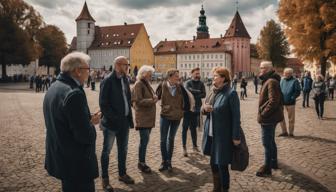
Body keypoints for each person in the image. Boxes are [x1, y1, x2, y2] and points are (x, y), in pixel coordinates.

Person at [43, 52, 101, 192]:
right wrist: (91, 123)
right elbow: (84, 136)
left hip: (62, 156)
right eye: (88, 69)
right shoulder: (73, 93)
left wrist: (86, 118)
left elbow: (65, 119)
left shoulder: (54, 86)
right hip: (76, 163)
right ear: (78, 71)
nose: (90, 73)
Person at [201, 67, 241, 192]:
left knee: (222, 165)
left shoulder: (231, 93)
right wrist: (204, 109)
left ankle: (225, 189)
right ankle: (216, 188)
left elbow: (236, 117)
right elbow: (204, 108)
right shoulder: (213, 92)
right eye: (213, 76)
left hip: (223, 136)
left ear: (223, 78)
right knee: (213, 164)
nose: (213, 78)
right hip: (211, 134)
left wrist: (236, 136)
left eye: (215, 76)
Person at [99, 56, 134, 192]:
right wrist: (114, 118)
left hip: (124, 122)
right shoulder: (107, 80)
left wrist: (129, 118)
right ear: (118, 65)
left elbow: (127, 99)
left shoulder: (125, 79)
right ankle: (105, 180)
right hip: (111, 123)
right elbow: (103, 104)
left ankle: (122, 174)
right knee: (106, 151)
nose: (128, 67)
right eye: (126, 65)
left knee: (123, 150)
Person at [256, 61, 284, 177]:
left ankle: (267, 167)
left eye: (261, 68)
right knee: (271, 140)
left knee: (266, 142)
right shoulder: (268, 80)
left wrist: (263, 114)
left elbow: (274, 101)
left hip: (269, 118)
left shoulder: (271, 81)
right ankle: (273, 162)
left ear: (267, 69)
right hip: (271, 117)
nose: (260, 70)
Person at [155, 69, 184, 172]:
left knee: (171, 139)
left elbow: (187, 99)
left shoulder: (180, 87)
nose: (178, 78)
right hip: (165, 116)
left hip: (177, 117)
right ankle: (164, 161)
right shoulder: (162, 85)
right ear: (170, 77)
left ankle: (169, 161)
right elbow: (155, 97)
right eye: (176, 76)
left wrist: (183, 110)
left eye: (178, 76)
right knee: (163, 139)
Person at [131, 65, 158, 173]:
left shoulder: (146, 83)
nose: (151, 76)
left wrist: (153, 97)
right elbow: (137, 101)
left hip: (148, 118)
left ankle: (142, 161)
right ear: (143, 74)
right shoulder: (139, 84)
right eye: (149, 74)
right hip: (142, 118)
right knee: (144, 141)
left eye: (151, 74)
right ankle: (141, 163)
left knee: (145, 141)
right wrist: (152, 100)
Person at [182, 67, 206, 157]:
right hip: (187, 110)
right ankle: (184, 147)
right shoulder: (187, 82)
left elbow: (204, 94)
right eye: (196, 74)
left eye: (198, 74)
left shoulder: (201, 83)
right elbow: (188, 91)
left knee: (193, 129)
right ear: (191, 74)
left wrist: (195, 92)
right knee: (184, 128)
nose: (198, 75)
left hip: (196, 110)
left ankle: (194, 146)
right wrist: (198, 92)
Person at [279, 68, 301, 137]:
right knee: (280, 118)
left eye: (288, 73)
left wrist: (293, 97)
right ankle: (284, 131)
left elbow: (297, 91)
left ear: (291, 74)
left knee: (291, 119)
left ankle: (291, 133)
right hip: (282, 102)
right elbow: (279, 89)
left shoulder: (295, 81)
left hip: (291, 103)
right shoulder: (282, 80)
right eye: (285, 73)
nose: (286, 74)